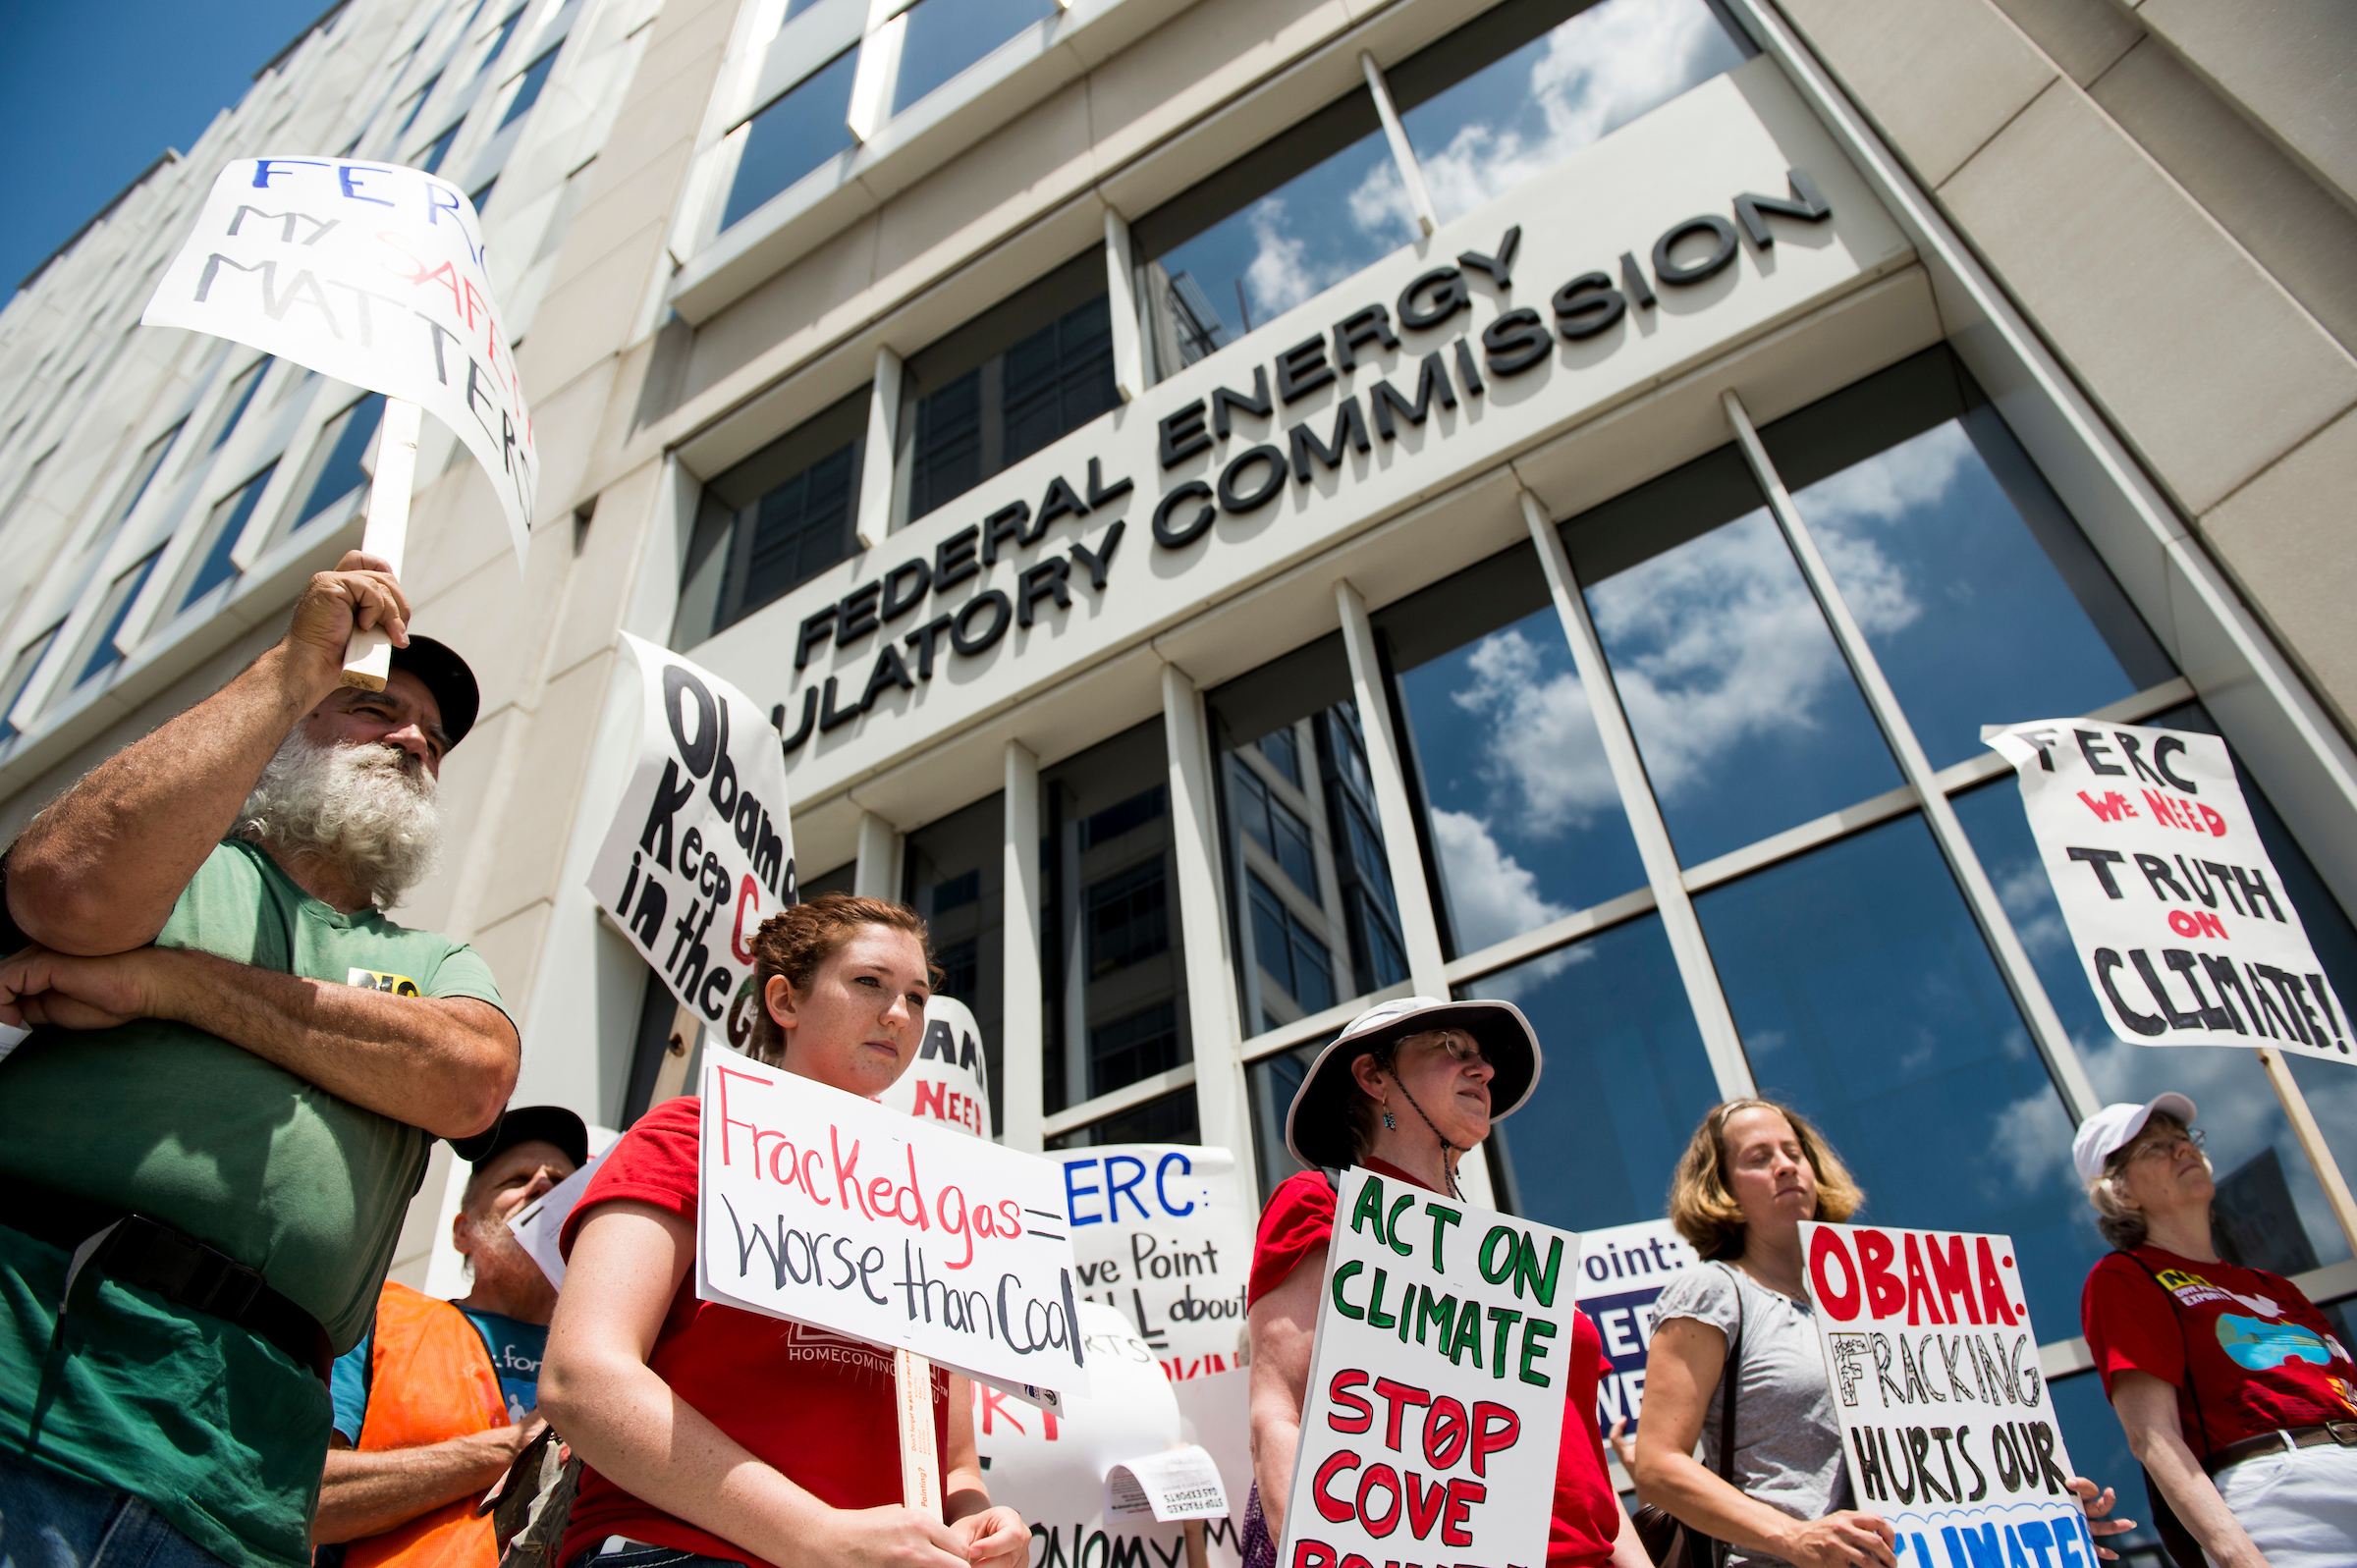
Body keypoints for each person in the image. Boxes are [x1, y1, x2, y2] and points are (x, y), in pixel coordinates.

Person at [0, 552, 519, 1568]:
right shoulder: (183, 868)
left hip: (242, 1484)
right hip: (33, 1393)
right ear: (294, 722)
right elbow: (60, 887)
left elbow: (470, 1079)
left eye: (435, 736)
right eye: (374, 708)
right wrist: (290, 666)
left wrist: (173, 987)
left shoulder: (436, 960)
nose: (415, 739)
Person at [536, 894, 1026, 1568]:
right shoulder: (691, 1137)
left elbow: (956, 1464)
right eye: (869, 983)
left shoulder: (940, 1202)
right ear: (784, 1000)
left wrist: (980, 1519)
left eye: (917, 997)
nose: (899, 1014)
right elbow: (580, 1379)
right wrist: (818, 1538)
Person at [1239, 995, 1650, 1568]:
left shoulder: (1517, 1265)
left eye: (1482, 1057)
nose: (1482, 1069)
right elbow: (1281, 1416)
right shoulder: (1321, 1207)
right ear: (1373, 1076)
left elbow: (1580, 1468)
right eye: (1452, 1048)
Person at [1637, 1101, 2129, 1568]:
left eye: (1794, 1153)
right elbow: (1658, 1466)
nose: (1785, 1166)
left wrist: (2038, 1512)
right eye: (1758, 1158)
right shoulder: (1714, 1292)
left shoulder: (1887, 1305)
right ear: (1720, 1188)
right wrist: (1793, 1536)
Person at [2077, 1093, 2357, 1568]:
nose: (2183, 1149)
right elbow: (2153, 1437)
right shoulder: (2127, 1276)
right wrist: (2237, 1557)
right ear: (2119, 1191)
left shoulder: (2274, 1287)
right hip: (2282, 1498)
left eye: (2183, 1139)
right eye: (2156, 1147)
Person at [316, 1107, 590, 1568]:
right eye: (518, 1179)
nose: (543, 1187)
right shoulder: (382, 1319)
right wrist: (508, 1449)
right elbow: (311, 1499)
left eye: (562, 1187)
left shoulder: (617, 1366)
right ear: (463, 1231)